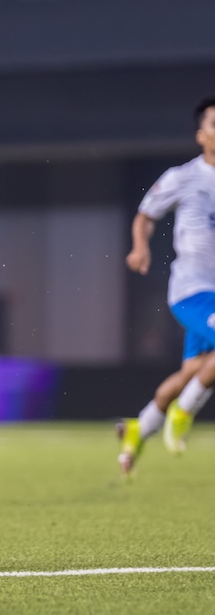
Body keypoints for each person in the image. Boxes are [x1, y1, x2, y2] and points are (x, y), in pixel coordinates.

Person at [118, 95, 215, 474]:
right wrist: (140, 247)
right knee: (198, 378)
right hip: (193, 290)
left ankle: (139, 429)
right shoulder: (183, 177)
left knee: (192, 372)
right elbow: (145, 215)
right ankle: (184, 412)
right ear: (200, 135)